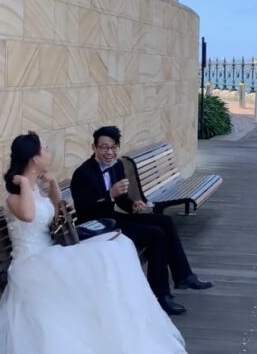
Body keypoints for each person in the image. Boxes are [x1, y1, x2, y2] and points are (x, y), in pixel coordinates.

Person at [0, 132, 203, 354]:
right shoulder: (17, 194)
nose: (49, 152)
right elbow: (27, 216)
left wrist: (53, 186)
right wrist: (26, 184)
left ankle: (117, 337)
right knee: (102, 259)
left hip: (47, 256)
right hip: (31, 265)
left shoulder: (36, 185)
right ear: (33, 159)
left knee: (116, 249)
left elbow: (55, 213)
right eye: (44, 150)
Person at [71, 126, 213, 316]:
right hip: (96, 225)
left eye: (113, 147)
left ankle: (184, 276)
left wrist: (134, 206)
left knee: (165, 221)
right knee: (155, 235)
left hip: (112, 218)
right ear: (94, 148)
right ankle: (161, 296)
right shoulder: (83, 173)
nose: (109, 152)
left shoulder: (117, 166)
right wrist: (109, 194)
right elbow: (84, 209)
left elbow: (121, 199)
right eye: (104, 147)